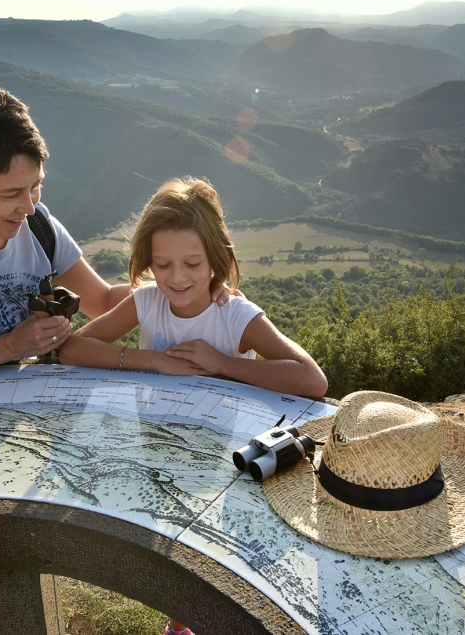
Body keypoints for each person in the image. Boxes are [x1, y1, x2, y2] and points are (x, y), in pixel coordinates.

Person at [0, 86, 230, 450]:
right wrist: (10, 346)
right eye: (10, 195)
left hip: (23, 423)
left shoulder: (38, 227)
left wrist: (190, 287)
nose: (29, 206)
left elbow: (102, 300)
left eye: (35, 186)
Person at [58, 177, 327, 635]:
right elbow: (73, 349)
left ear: (216, 261)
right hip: (158, 445)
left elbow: (311, 379)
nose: (176, 278)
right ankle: (179, 623)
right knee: (174, 542)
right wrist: (155, 361)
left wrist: (221, 363)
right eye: (161, 264)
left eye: (192, 263)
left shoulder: (235, 314)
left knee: (221, 548)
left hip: (229, 455)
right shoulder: (146, 302)